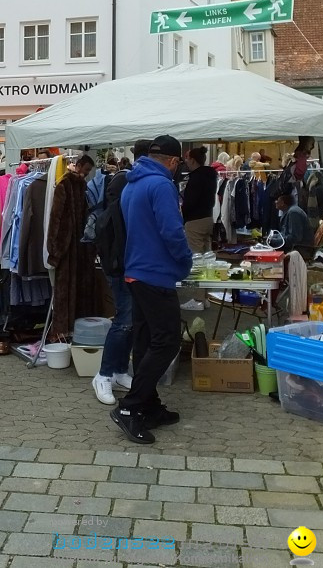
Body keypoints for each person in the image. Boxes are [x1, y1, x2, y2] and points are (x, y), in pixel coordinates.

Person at [110, 135, 192, 444]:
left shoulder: (133, 183)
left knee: (145, 342)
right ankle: (131, 408)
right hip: (155, 275)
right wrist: (184, 262)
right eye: (177, 164)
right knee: (167, 342)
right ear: (173, 161)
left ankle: (149, 405)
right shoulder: (161, 185)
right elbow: (172, 231)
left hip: (137, 272)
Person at [92, 139, 151, 406]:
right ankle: (103, 374)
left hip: (132, 265)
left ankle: (117, 371)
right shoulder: (124, 183)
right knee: (124, 319)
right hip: (120, 266)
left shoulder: (133, 183)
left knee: (131, 319)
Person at [181, 147, 217, 255]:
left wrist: (183, 210)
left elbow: (190, 201)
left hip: (194, 220)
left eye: (187, 158)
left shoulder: (195, 178)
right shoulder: (210, 175)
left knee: (196, 256)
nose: (186, 161)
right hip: (208, 217)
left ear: (192, 160)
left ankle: (200, 272)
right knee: (207, 254)